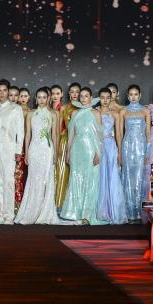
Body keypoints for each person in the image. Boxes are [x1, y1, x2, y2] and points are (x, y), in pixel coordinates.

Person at [15, 88, 61, 224]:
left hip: (47, 149)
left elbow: (55, 135)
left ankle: (45, 212)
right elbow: (27, 135)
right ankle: (31, 211)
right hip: (34, 149)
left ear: (48, 98)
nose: (41, 100)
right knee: (34, 179)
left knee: (47, 179)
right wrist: (26, 153)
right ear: (35, 98)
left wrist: (56, 153)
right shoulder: (30, 114)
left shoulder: (53, 114)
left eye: (44, 97)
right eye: (39, 97)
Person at [60, 88, 105, 225]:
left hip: (91, 150)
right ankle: (75, 212)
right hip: (77, 150)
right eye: (81, 96)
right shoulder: (75, 113)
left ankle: (87, 214)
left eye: (86, 96)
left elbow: (100, 136)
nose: (83, 98)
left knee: (91, 180)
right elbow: (71, 134)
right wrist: (68, 152)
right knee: (76, 179)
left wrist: (98, 153)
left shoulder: (96, 113)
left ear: (91, 97)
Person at [0, 80, 24, 224]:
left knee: (9, 181)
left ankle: (9, 214)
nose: (2, 93)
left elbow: (20, 131)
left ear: (8, 91)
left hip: (10, 148)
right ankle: (2, 213)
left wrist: (18, 150)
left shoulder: (16, 109)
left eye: (4, 90)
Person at [119, 85, 149, 222]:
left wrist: (148, 150)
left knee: (140, 178)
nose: (133, 96)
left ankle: (139, 212)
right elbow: (120, 134)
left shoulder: (145, 110)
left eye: (136, 94)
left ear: (140, 95)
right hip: (127, 147)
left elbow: (148, 132)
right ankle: (129, 213)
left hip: (141, 147)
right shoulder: (123, 111)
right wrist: (120, 152)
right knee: (128, 178)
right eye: (131, 94)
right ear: (127, 96)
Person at [96, 88, 126, 224]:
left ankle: (113, 210)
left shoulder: (115, 114)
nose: (105, 100)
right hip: (97, 146)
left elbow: (119, 135)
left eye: (108, 97)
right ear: (98, 98)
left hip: (110, 146)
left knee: (112, 176)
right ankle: (100, 210)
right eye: (102, 97)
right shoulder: (94, 112)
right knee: (99, 176)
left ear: (111, 98)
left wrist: (120, 152)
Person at [54, 82, 81, 209]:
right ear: (68, 93)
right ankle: (60, 204)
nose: (75, 94)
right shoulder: (63, 108)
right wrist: (57, 147)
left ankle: (76, 206)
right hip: (65, 141)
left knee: (78, 174)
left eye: (77, 91)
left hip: (80, 142)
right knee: (63, 172)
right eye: (72, 91)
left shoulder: (84, 109)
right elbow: (58, 129)